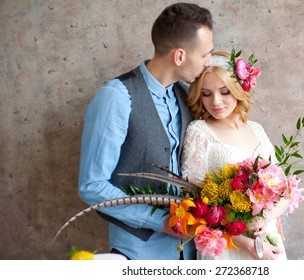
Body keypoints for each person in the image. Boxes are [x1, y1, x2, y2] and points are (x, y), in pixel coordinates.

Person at [78, 2, 214, 260]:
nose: (209, 62)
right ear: (180, 56)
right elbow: (92, 186)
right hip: (140, 253)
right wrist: (162, 221)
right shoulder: (116, 97)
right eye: (205, 54)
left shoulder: (186, 95)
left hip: (193, 252)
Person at [181, 51, 289, 260]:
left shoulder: (256, 129)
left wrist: (269, 217)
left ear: (238, 90)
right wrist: (249, 244)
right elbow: (196, 204)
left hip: (268, 241)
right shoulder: (199, 132)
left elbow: (284, 189)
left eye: (224, 92)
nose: (216, 102)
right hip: (228, 247)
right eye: (206, 94)